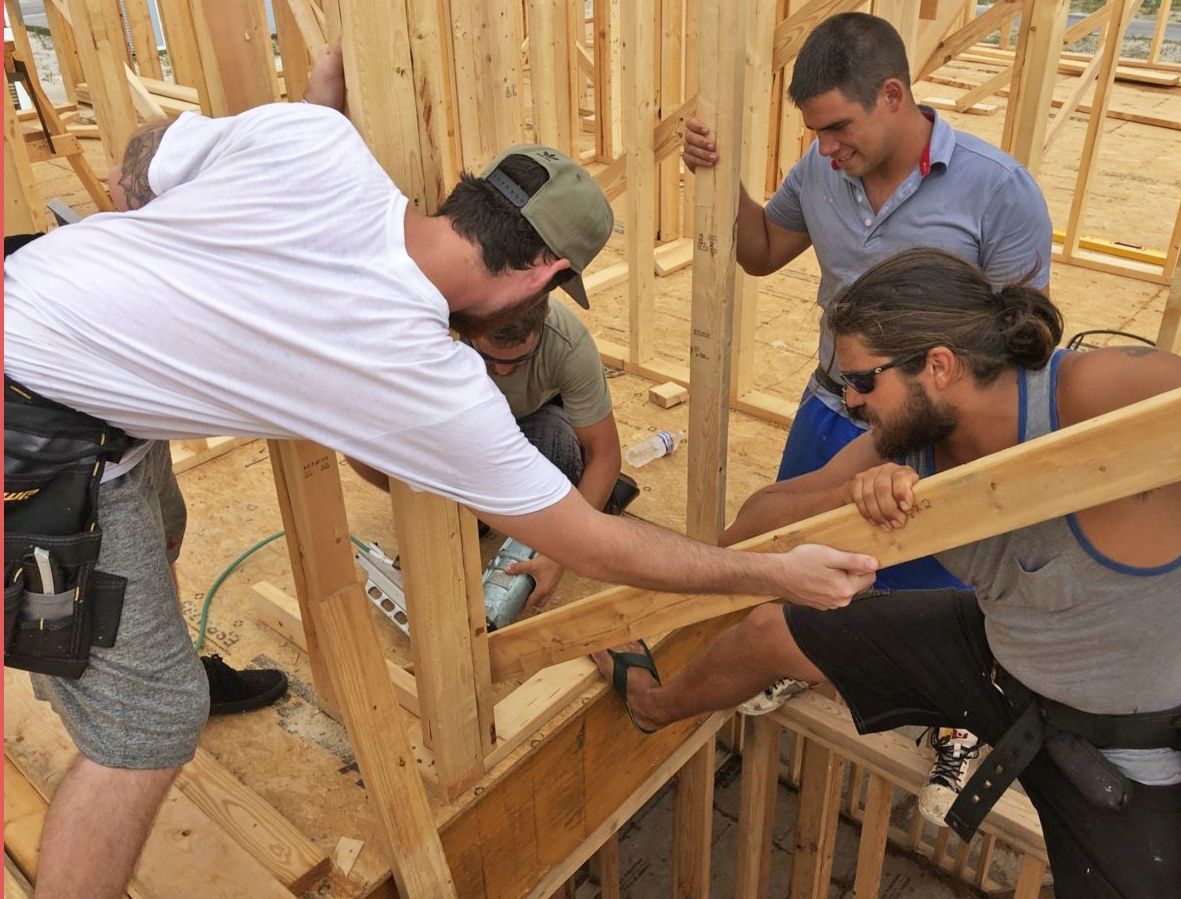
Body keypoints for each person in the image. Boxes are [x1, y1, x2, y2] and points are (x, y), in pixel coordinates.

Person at [2, 46, 876, 899]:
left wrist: (306, 105)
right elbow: (594, 541)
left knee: (161, 532)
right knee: (150, 729)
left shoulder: (318, 143)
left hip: (41, 307)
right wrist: (772, 570)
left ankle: (107, 652)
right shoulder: (416, 370)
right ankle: (125, 685)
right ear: (546, 271)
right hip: (32, 434)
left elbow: (146, 160)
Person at [594, 248, 1181, 898]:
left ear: (942, 365)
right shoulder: (913, 439)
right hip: (1000, 658)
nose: (852, 399)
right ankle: (657, 705)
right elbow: (757, 523)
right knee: (768, 633)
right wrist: (845, 498)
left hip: (1126, 743)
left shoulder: (1101, 392)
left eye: (863, 380)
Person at [683, 10, 1052, 801]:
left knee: (939, 591)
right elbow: (760, 251)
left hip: (928, 431)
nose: (825, 148)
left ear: (893, 95)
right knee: (801, 557)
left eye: (838, 127)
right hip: (831, 410)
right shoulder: (824, 171)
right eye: (815, 132)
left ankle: (962, 721)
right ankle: (792, 657)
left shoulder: (998, 191)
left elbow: (1025, 350)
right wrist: (722, 180)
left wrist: (954, 447)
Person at [348, 293, 637, 607]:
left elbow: (604, 454)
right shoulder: (429, 327)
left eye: (516, 362)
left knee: (560, 449)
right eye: (487, 358)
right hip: (460, 426)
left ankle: (491, 508)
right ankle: (467, 509)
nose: (500, 371)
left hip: (532, 424)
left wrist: (563, 552)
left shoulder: (567, 344)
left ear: (544, 319)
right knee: (361, 448)